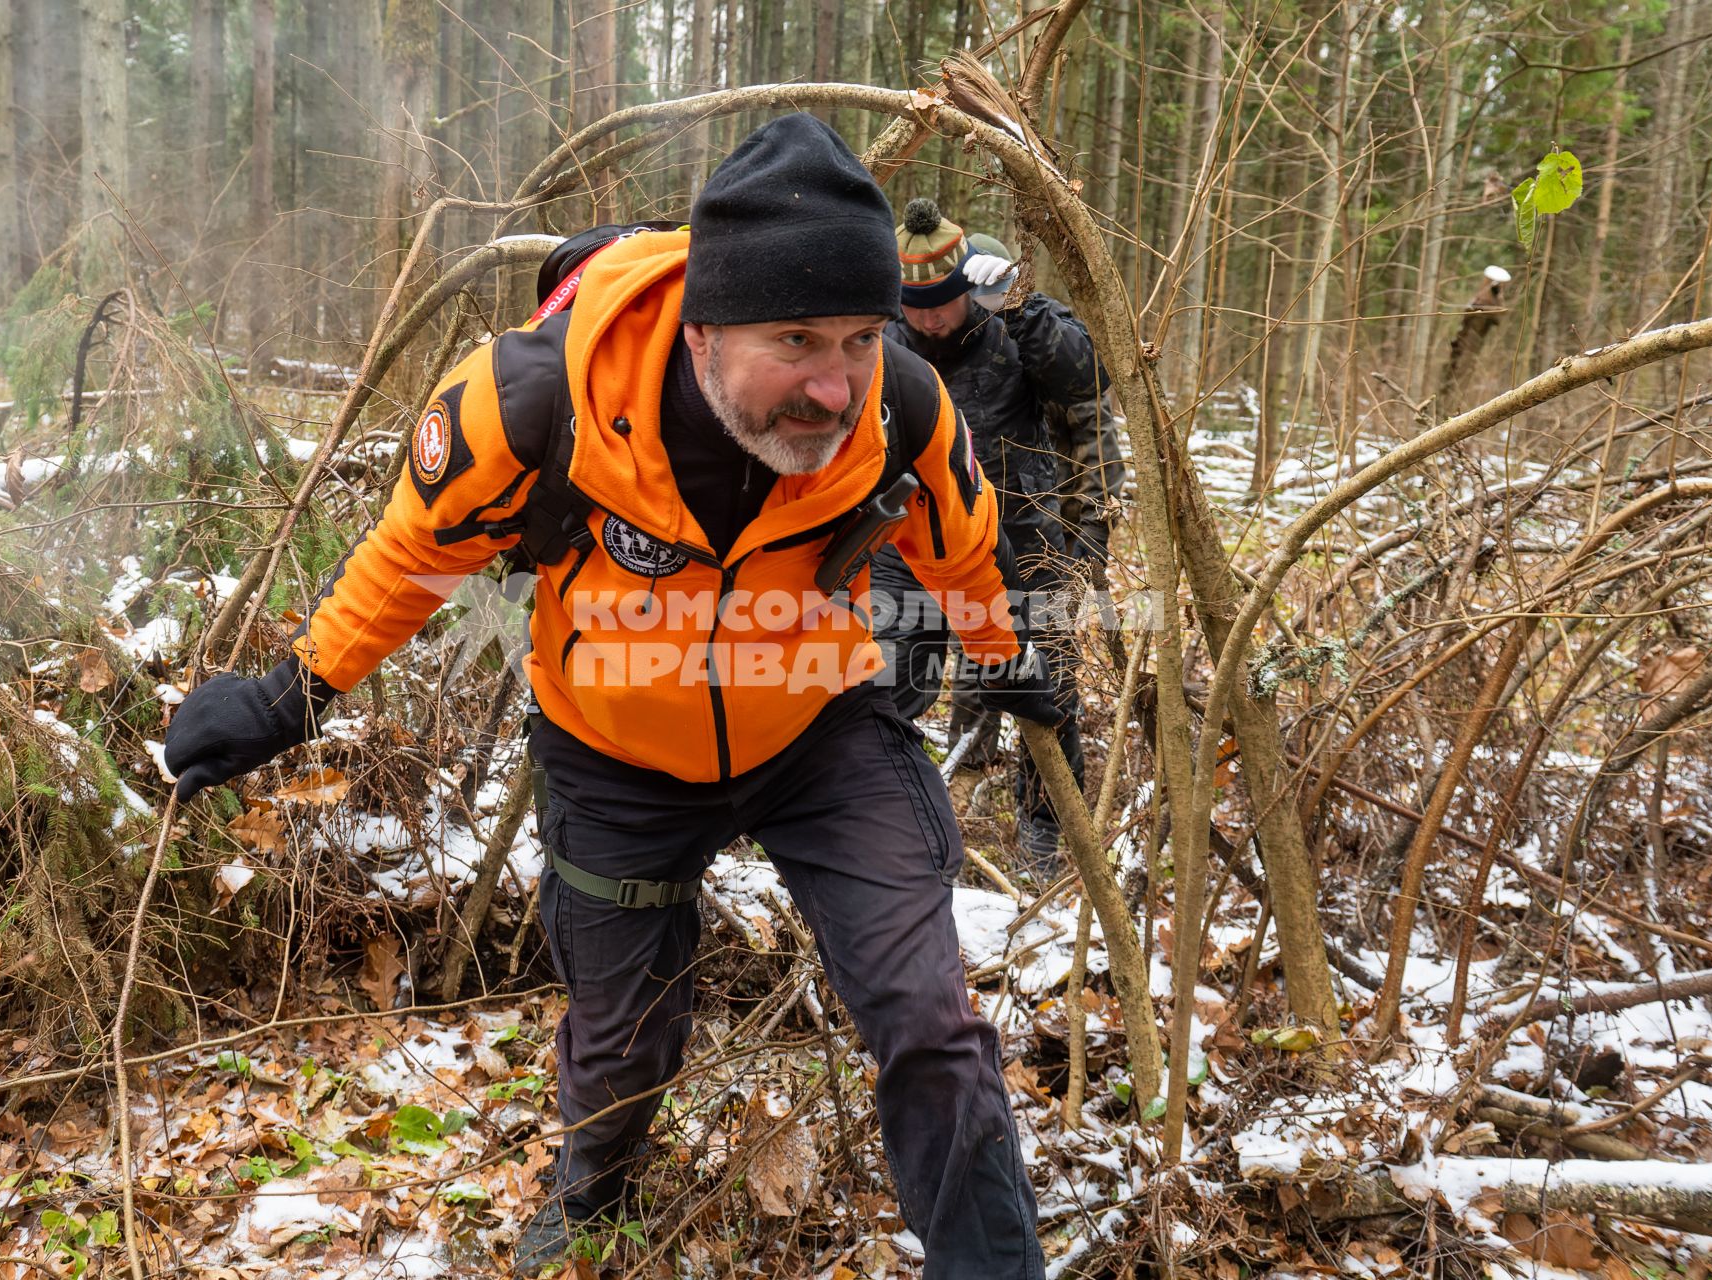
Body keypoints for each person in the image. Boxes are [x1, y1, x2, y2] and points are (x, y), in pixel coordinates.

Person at [163, 115, 1057, 1279]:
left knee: (930, 1017)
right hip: (614, 746)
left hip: (818, 723)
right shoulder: (538, 402)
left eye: (856, 337)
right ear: (702, 330)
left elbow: (960, 545)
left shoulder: (899, 410)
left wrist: (1015, 658)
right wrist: (291, 695)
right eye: (794, 338)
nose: (832, 384)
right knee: (624, 1032)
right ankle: (594, 1193)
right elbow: (412, 555)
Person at [871, 201, 1119, 875]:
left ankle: (1044, 826)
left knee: (1045, 685)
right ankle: (888, 819)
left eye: (942, 305)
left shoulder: (1009, 323)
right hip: (908, 541)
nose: (930, 320)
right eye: (914, 306)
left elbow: (1088, 382)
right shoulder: (879, 335)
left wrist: (1022, 304)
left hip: (1021, 532)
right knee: (888, 678)